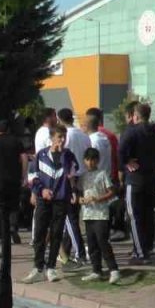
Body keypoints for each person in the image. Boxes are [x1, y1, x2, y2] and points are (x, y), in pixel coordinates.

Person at [22, 126, 77, 283]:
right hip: (43, 199)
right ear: (52, 138)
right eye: (59, 136)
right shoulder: (41, 155)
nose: (62, 140)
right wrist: (41, 191)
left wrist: (63, 157)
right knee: (39, 233)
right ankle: (38, 267)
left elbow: (71, 174)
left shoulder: (68, 155)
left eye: (64, 137)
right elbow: (32, 176)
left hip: (61, 199)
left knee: (56, 233)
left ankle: (51, 267)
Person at [121, 102, 155, 264]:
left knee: (134, 215)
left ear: (135, 116)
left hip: (135, 179)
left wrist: (126, 162)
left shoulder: (132, 131)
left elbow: (121, 150)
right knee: (148, 214)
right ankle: (145, 247)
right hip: (151, 178)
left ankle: (140, 253)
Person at [77, 147, 120, 284]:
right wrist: (80, 199)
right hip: (88, 214)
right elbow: (78, 193)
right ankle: (96, 270)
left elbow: (112, 191)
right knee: (91, 243)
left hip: (101, 213)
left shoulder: (102, 174)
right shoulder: (83, 176)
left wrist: (99, 199)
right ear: (84, 161)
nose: (90, 163)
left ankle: (113, 269)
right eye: (88, 160)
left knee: (103, 241)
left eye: (93, 160)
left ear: (97, 161)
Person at [57, 108, 91, 270]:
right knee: (71, 217)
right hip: (82, 176)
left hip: (69, 179)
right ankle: (68, 250)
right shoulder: (84, 135)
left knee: (69, 218)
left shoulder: (65, 138)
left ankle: (79, 253)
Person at [0, 119, 28, 245]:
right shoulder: (16, 141)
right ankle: (13, 226)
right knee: (14, 205)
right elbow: (24, 158)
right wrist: (24, 176)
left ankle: (2, 230)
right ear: (8, 129)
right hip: (14, 177)